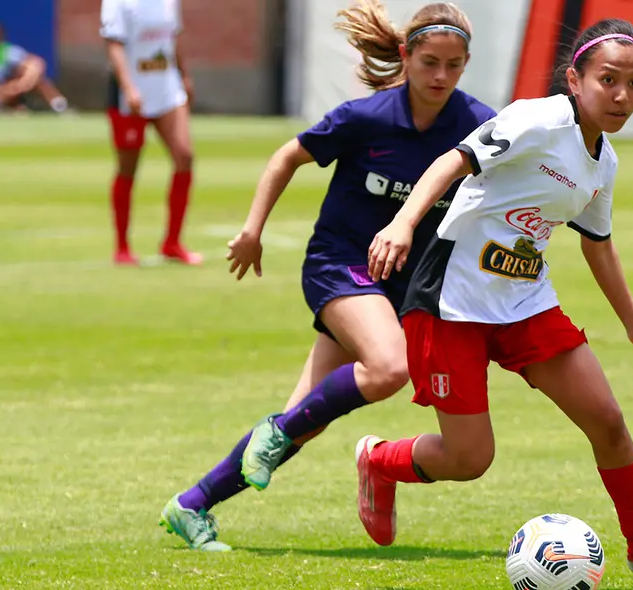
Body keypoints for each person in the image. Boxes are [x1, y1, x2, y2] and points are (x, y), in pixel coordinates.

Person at [359, 18, 633, 590]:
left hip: (525, 302)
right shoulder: (536, 119)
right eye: (609, 80)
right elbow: (453, 161)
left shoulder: (605, 162)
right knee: (469, 459)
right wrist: (401, 223)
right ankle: (380, 460)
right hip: (453, 299)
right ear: (575, 78)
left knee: (610, 424)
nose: (622, 96)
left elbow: (598, 244)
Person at [157, 0, 495, 551]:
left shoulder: (478, 124)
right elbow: (286, 157)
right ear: (406, 56)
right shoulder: (366, 118)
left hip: (399, 285)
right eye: (430, 61)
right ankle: (275, 433)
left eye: (453, 65)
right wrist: (252, 230)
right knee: (388, 366)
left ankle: (192, 505)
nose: (441, 76)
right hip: (341, 266)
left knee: (305, 418)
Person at [100, 0, 200, 265]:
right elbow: (114, 45)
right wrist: (129, 87)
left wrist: (184, 75)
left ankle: (172, 242)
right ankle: (122, 247)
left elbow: (173, 39)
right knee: (128, 167)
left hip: (167, 88)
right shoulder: (118, 3)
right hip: (131, 94)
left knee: (184, 156)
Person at [0, 23, 70, 113]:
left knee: (38, 80)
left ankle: (58, 105)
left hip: (7, 85)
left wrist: (23, 84)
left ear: (1, 36)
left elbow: (36, 63)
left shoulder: (7, 50)